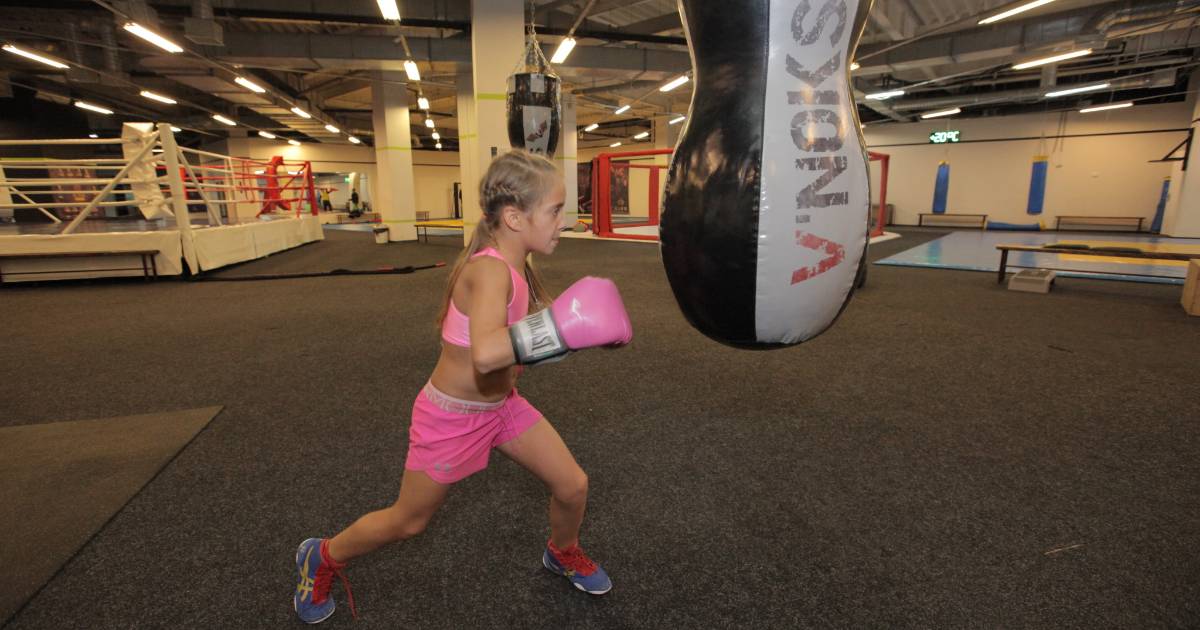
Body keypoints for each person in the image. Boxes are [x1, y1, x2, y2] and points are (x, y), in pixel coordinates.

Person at [293, 150, 633, 624]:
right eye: (556, 210)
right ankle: (323, 555)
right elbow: (489, 354)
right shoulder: (489, 271)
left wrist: (585, 336)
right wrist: (563, 331)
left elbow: (522, 345)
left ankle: (562, 551)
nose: (566, 221)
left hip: (502, 406)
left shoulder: (518, 266)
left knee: (572, 485)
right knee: (409, 521)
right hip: (452, 417)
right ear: (514, 217)